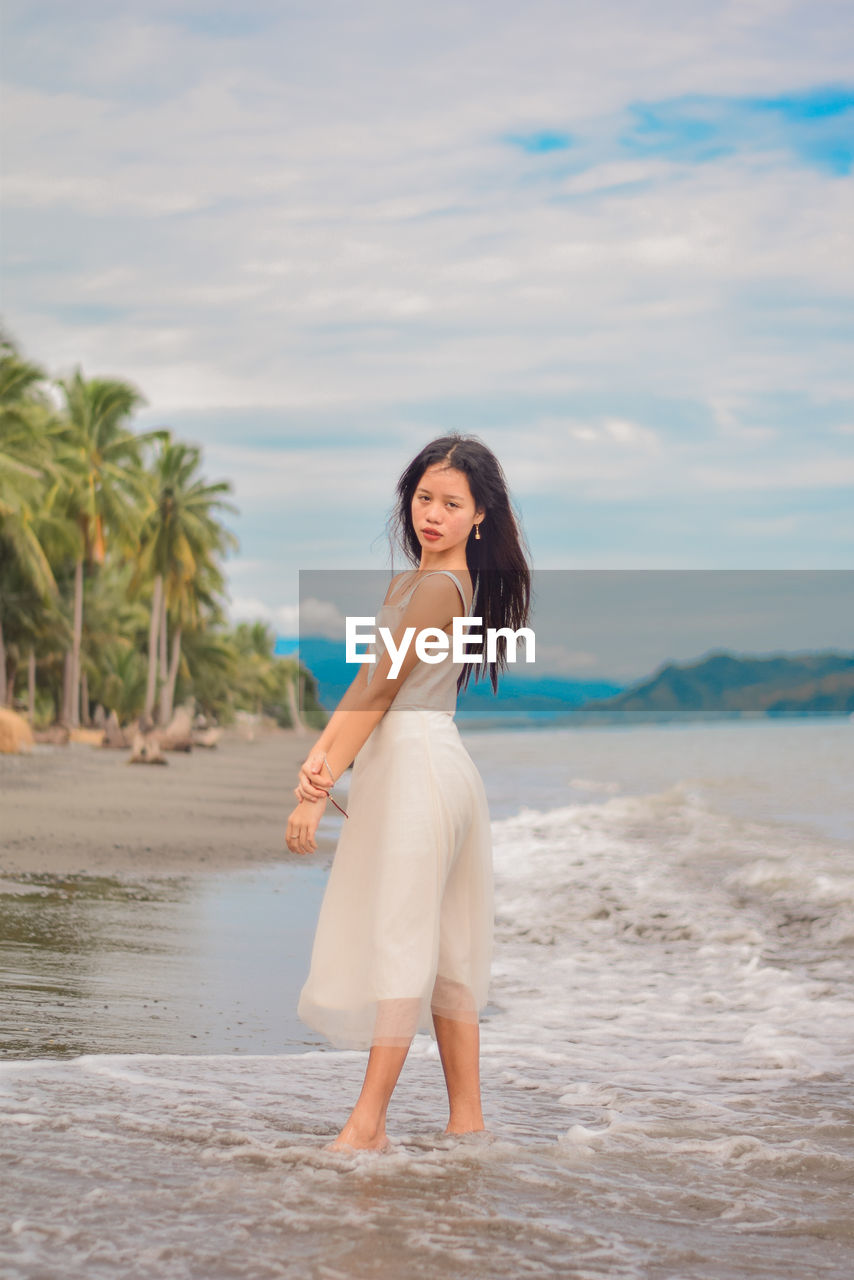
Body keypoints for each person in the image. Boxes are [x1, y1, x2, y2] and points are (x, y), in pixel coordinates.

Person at [285, 433, 531, 1151]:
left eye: (452, 504)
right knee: (449, 954)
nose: (433, 514)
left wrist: (318, 781)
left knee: (401, 940)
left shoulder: (431, 589)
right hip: (437, 764)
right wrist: (318, 758)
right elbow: (370, 684)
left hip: (421, 770)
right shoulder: (424, 584)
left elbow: (382, 687)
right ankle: (468, 1127)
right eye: (425, 498)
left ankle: (367, 1126)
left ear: (479, 516)